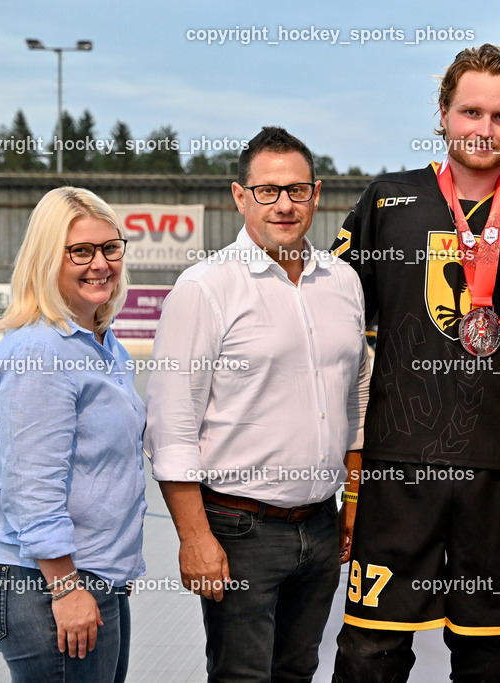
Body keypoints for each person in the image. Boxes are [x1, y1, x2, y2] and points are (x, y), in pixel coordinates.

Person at [330, 43, 500, 683]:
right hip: (397, 467)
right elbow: (332, 320)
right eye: (471, 112)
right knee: (369, 655)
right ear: (442, 115)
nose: (485, 130)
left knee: (488, 660)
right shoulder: (387, 203)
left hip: (498, 470)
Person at [143, 126, 369, 682]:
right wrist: (195, 538)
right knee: (242, 676)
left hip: (320, 526)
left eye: (296, 190)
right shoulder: (205, 288)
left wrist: (351, 504)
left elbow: (355, 396)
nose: (284, 204)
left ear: (317, 194)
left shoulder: (343, 281)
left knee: (297, 672)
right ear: (241, 196)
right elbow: (171, 426)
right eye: (268, 191)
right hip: (239, 529)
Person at [0, 186, 147, 682]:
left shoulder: (101, 347)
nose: (101, 264)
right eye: (81, 251)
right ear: (48, 260)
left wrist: (112, 565)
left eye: (110, 248)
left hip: (88, 573)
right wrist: (65, 587)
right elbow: (33, 484)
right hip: (41, 582)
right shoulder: (41, 350)